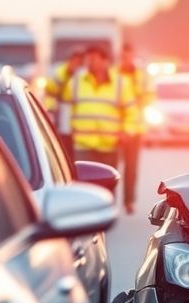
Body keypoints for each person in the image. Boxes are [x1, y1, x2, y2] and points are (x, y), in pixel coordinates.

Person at [62, 45, 136, 172]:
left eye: (94, 59)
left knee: (107, 185)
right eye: (88, 59)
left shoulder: (120, 84)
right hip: (82, 146)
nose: (90, 63)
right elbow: (66, 109)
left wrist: (126, 132)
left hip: (109, 147)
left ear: (105, 62)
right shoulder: (75, 82)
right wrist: (66, 133)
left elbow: (132, 112)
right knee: (85, 186)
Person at [117, 43, 153, 215]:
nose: (126, 59)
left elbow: (150, 96)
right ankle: (109, 200)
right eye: (123, 56)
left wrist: (139, 97)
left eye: (128, 55)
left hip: (135, 128)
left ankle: (129, 201)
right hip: (115, 128)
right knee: (111, 167)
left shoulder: (141, 75)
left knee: (131, 168)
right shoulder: (113, 74)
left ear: (132, 55)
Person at [44, 47, 86, 157]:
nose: (76, 64)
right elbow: (50, 89)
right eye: (74, 60)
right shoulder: (60, 72)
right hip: (62, 114)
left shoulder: (83, 74)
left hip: (78, 117)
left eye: (79, 62)